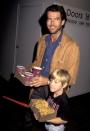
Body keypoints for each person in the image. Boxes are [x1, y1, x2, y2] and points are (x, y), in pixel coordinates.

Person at [24, 4, 80, 130]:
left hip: (55, 92)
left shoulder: (72, 46)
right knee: (31, 118)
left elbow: (71, 78)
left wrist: (48, 81)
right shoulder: (42, 40)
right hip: (37, 88)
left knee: (51, 124)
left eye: (57, 19)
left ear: (63, 22)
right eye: (49, 19)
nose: (52, 23)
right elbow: (36, 62)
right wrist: (26, 72)